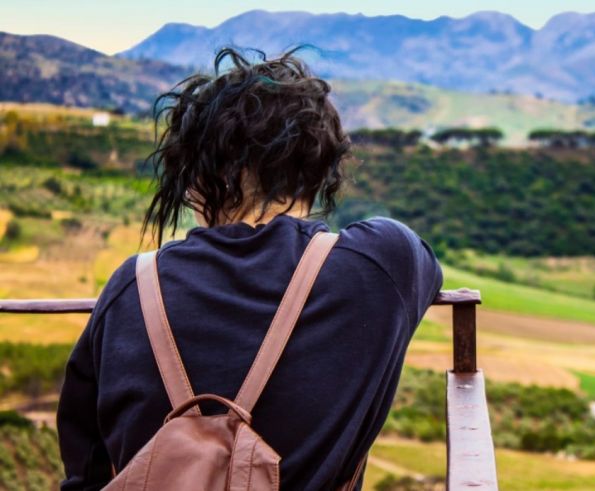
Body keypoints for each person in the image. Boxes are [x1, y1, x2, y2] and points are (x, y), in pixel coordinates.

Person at [56, 48, 443, 490]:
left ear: (195, 182)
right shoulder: (380, 265)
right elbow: (420, 261)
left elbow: (84, 465)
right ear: (319, 169)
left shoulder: (132, 285)